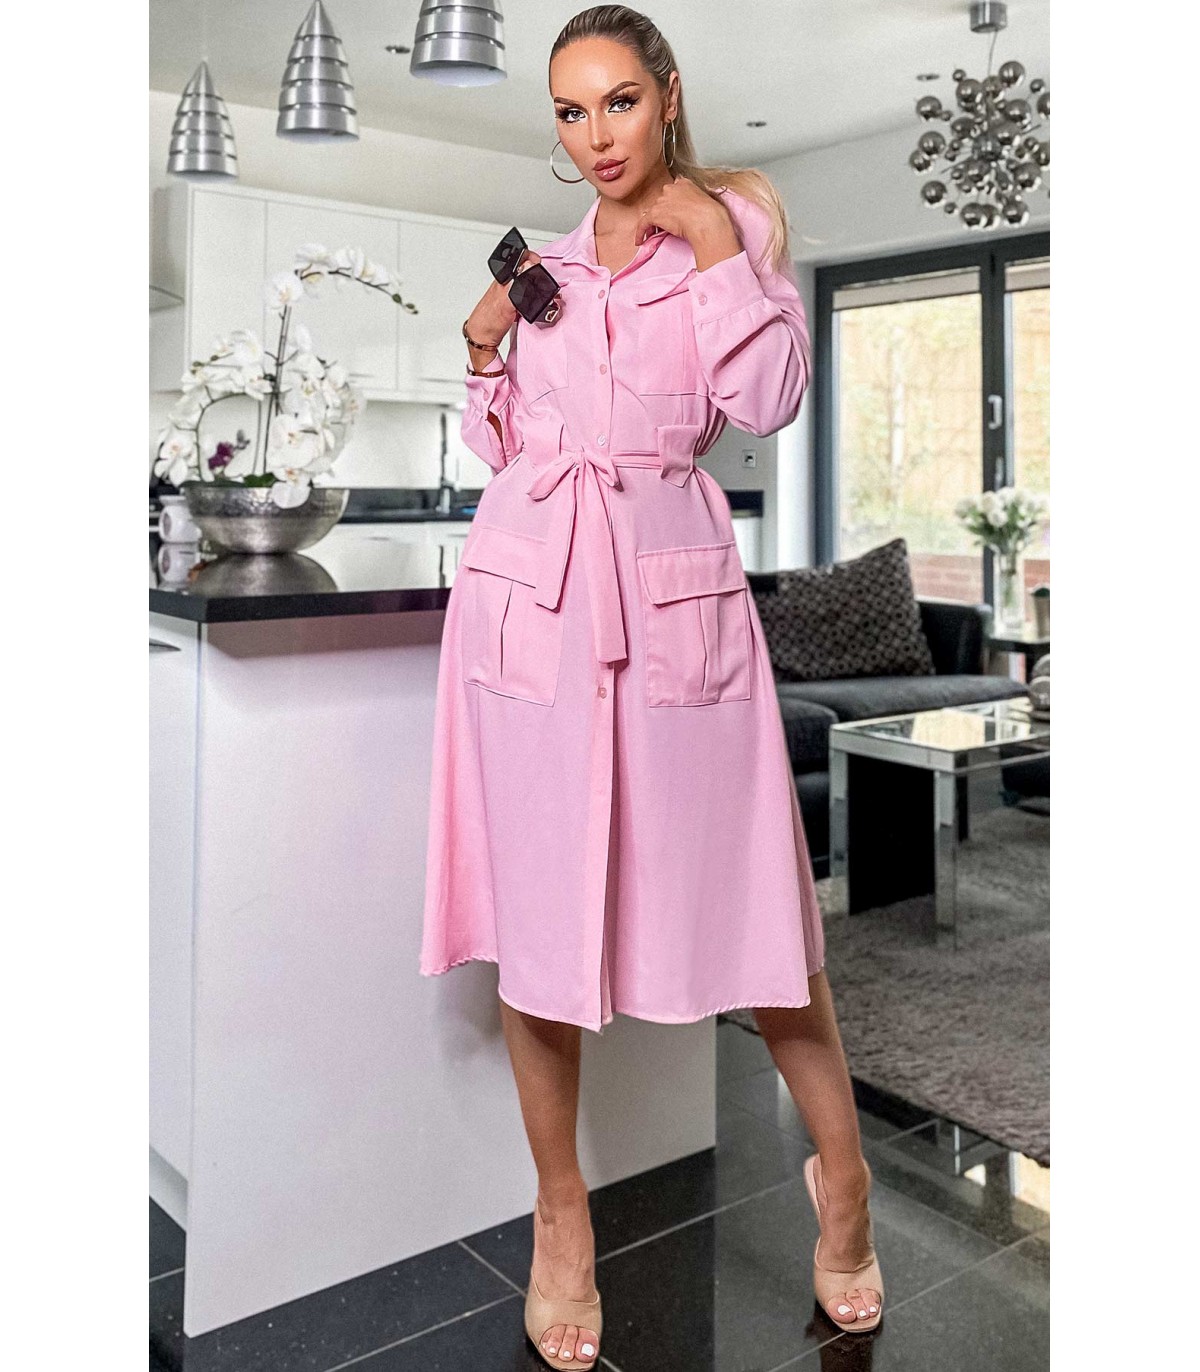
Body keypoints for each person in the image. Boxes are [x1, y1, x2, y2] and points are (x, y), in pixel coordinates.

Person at [421, 6, 884, 1365]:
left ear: (667, 96)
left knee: (762, 922)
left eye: (617, 102)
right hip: (528, 607)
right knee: (540, 922)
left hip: (674, 604)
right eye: (570, 112)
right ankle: (561, 1219)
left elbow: (773, 396)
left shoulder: (733, 233)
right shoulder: (552, 265)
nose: (596, 136)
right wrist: (485, 348)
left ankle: (846, 1184)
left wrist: (716, 248)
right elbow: (511, 448)